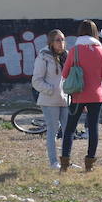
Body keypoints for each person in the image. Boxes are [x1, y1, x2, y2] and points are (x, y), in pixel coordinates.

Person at [60, 20, 102, 172]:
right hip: (96, 96)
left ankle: (64, 164)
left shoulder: (75, 51)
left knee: (70, 129)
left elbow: (64, 74)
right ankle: (89, 165)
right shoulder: (101, 51)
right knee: (93, 129)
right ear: (96, 33)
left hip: (77, 95)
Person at [33, 29, 71, 169]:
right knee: (53, 130)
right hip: (49, 101)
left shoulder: (67, 55)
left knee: (68, 131)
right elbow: (36, 81)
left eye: (63, 39)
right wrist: (51, 90)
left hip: (66, 100)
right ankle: (53, 162)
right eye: (58, 40)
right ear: (51, 42)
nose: (61, 43)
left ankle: (66, 160)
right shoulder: (44, 56)